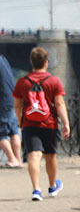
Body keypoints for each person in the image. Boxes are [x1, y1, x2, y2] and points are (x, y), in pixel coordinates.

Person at [12, 47, 69, 200]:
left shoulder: (23, 82)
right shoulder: (54, 81)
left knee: (33, 155)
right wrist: (66, 123)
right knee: (50, 156)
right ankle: (52, 187)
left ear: (31, 62)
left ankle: (36, 190)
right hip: (49, 123)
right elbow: (59, 104)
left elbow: (17, 105)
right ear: (46, 62)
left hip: (29, 124)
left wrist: (19, 120)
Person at [0, 53, 23, 167]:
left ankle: (12, 159)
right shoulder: (3, 59)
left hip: (2, 101)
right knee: (13, 131)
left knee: (1, 134)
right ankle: (18, 160)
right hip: (11, 99)